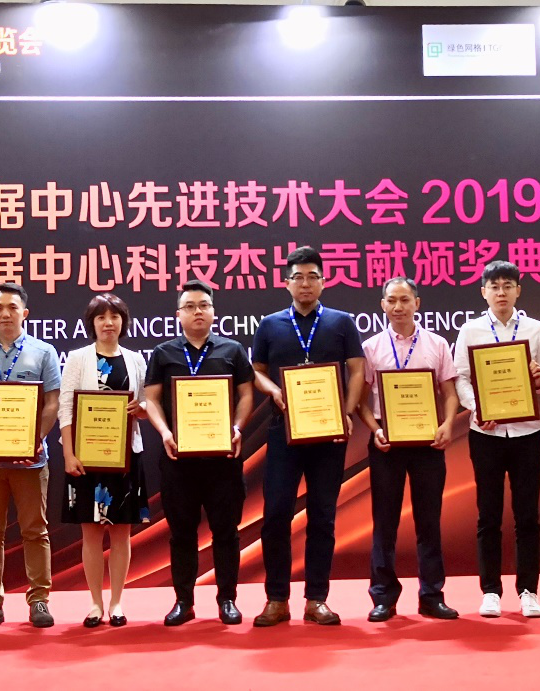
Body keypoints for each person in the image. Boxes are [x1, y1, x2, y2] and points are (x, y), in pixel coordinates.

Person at [250, 246, 364, 627]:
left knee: (323, 516)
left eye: (312, 276)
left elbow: (357, 370)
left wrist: (347, 412)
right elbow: (256, 371)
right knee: (276, 515)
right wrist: (273, 390)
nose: (305, 283)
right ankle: (276, 599)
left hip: (329, 434)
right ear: (287, 283)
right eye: (297, 277)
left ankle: (316, 599)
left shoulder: (341, 322)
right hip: (283, 432)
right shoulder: (270, 325)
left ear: (323, 281)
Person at [144, 279, 254, 626]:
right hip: (179, 461)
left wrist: (237, 428)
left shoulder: (232, 350)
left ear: (213, 312)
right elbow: (151, 399)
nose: (197, 312)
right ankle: (183, 601)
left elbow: (247, 394)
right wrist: (165, 433)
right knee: (182, 534)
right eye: (189, 306)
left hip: (223, 461)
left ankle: (227, 599)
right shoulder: (163, 353)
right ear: (178, 314)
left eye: (203, 305)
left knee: (226, 532)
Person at [453, 261, 540, 618]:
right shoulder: (470, 330)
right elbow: (461, 377)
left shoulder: (535, 328)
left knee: (528, 515)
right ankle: (490, 591)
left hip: (527, 433)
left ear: (518, 290)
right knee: (488, 515)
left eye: (507, 286)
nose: (501, 292)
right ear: (483, 292)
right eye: (494, 286)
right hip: (487, 434)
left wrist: (539, 379)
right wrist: (477, 407)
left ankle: (528, 590)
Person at [358, 277, 462, 622]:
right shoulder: (371, 348)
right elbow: (360, 402)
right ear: (382, 305)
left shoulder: (437, 344)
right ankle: (383, 597)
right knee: (384, 522)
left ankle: (431, 595)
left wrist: (448, 424)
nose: (398, 307)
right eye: (392, 300)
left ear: (417, 303)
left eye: (405, 300)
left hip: (428, 442)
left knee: (428, 521)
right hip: (386, 443)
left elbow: (450, 393)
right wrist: (375, 430)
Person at [0, 283, 62, 629]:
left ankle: (39, 600)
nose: (5, 314)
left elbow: (52, 402)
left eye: (12, 307)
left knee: (35, 530)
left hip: (30, 459)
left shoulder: (44, 352)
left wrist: (37, 439)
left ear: (25, 313)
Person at [59, 293, 151, 628]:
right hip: (86, 459)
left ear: (123, 322)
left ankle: (117, 602)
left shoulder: (136, 360)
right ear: (92, 323)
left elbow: (147, 405)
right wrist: (69, 453)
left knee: (122, 533)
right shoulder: (78, 358)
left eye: (114, 316)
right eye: (101, 317)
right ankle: (96, 603)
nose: (108, 323)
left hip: (124, 458)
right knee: (92, 534)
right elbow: (66, 407)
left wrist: (141, 409)